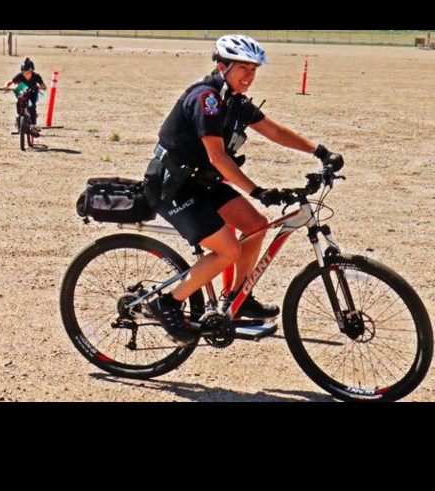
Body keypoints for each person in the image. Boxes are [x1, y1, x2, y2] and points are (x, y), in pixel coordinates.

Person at [143, 34, 343, 345]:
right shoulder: (206, 99)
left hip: (202, 183)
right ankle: (166, 303)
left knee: (256, 225)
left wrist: (320, 152)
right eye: (243, 69)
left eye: (254, 70)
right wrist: (257, 190)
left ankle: (236, 298)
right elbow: (217, 156)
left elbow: (273, 130)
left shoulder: (234, 101)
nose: (249, 76)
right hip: (174, 187)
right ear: (222, 66)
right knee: (228, 250)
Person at [0, 57, 47, 132]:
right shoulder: (19, 75)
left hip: (33, 93)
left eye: (28, 73)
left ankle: (33, 125)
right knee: (19, 103)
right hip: (23, 92)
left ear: (32, 71)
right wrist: (6, 86)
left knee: (31, 106)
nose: (26, 75)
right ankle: (19, 120)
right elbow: (10, 82)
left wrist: (38, 87)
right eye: (24, 73)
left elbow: (43, 86)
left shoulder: (36, 76)